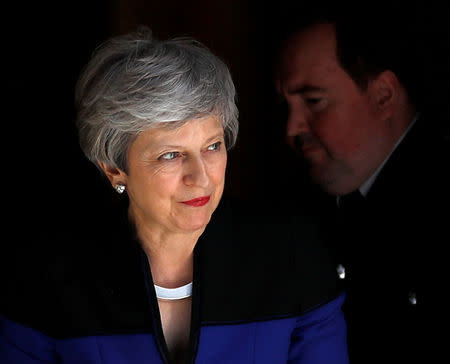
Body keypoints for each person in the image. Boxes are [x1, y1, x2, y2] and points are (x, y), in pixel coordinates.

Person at [0, 26, 348, 364]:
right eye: (171, 155)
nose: (201, 177)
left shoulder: (292, 256)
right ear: (113, 169)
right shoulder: (49, 278)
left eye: (213, 146)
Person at [274, 2, 450, 363]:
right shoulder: (296, 206)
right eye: (288, 106)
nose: (292, 129)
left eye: (314, 101)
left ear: (383, 95)